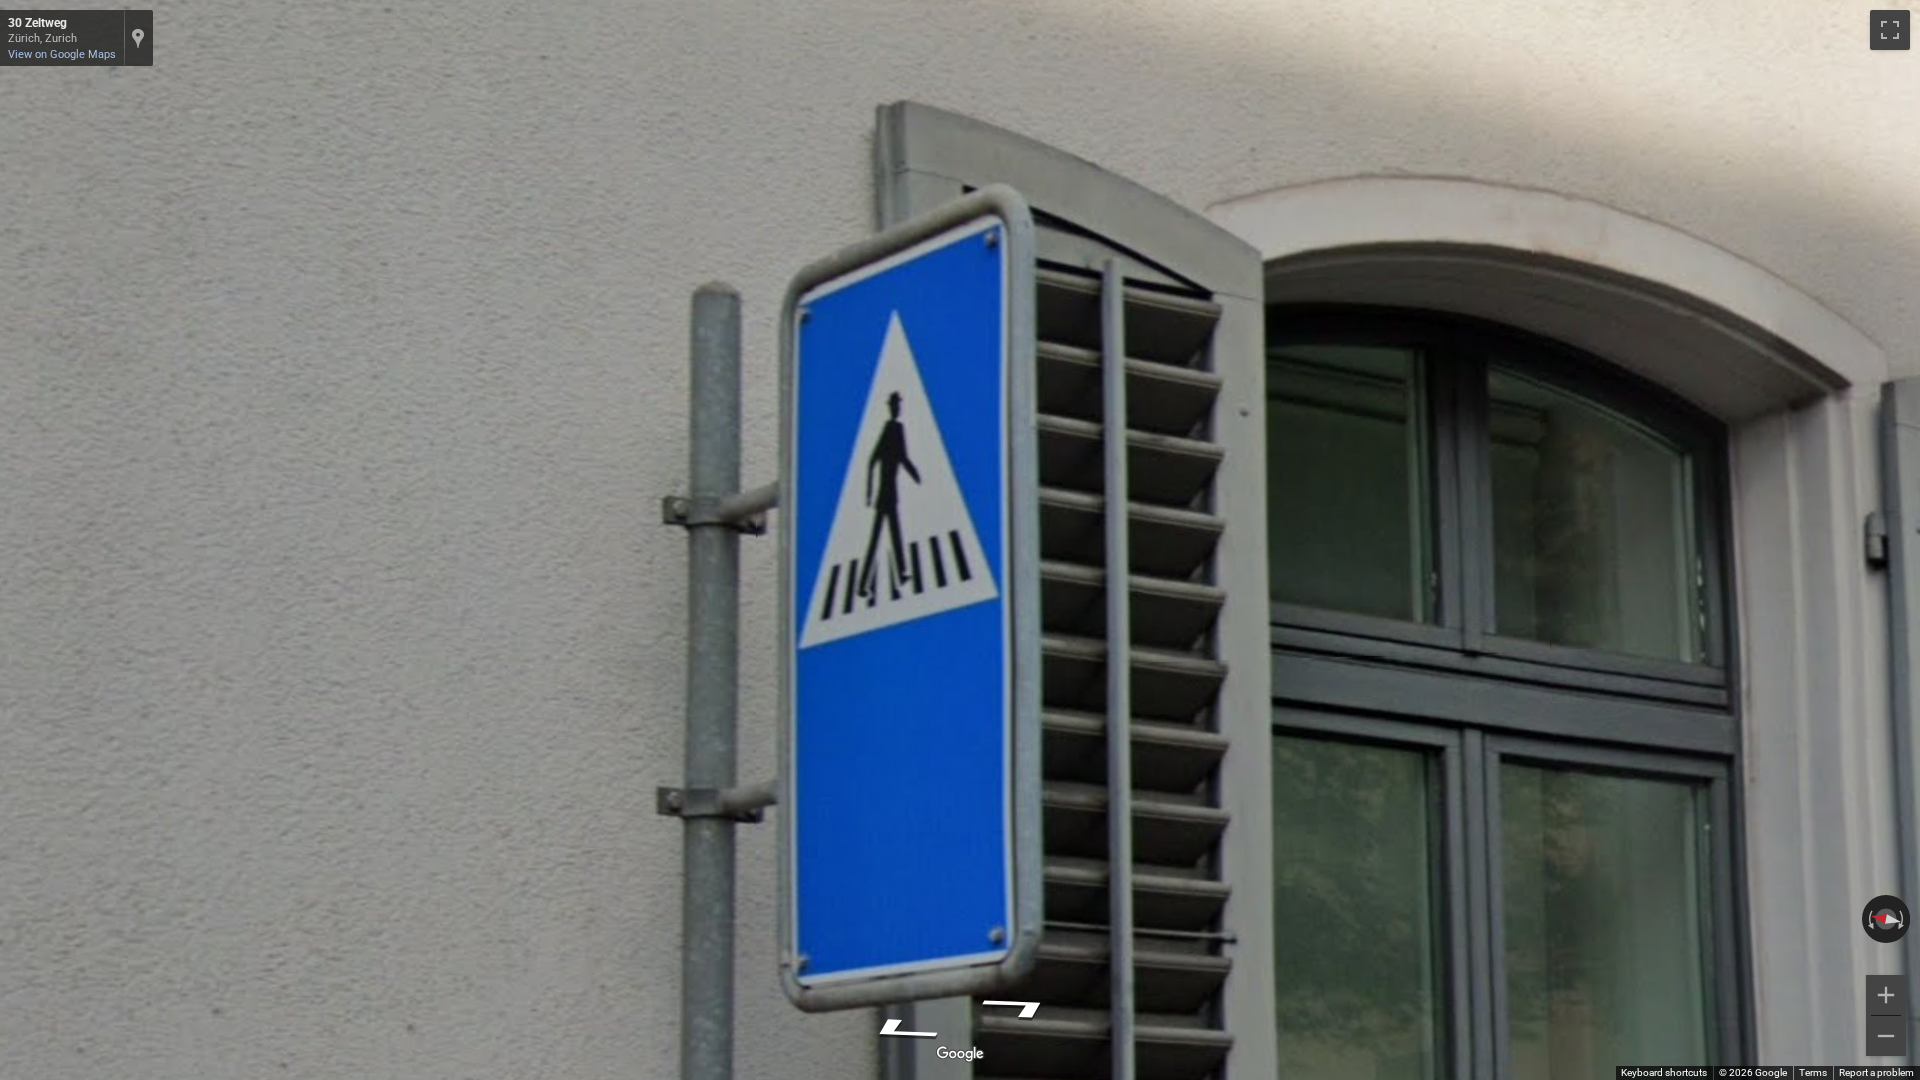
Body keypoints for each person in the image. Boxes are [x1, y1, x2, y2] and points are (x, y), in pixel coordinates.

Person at [858, 391, 921, 598]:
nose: (898, 408)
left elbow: (902, 458)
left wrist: (916, 474)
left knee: (895, 535)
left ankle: (902, 573)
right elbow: (873, 460)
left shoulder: (897, 428)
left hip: (890, 495)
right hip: (885, 496)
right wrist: (868, 491)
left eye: (898, 405)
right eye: (896, 405)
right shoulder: (891, 429)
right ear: (892, 407)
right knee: (876, 539)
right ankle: (863, 584)